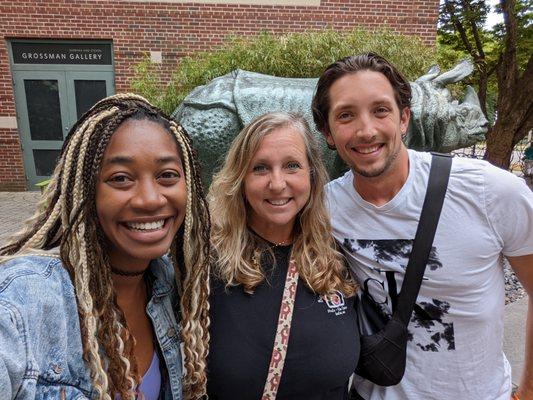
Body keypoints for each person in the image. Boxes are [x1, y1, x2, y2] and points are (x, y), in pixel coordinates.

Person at [311, 52, 533, 400]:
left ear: (404, 119)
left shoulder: (490, 192)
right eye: (346, 115)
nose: (366, 130)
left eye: (380, 110)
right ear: (327, 132)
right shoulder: (323, 209)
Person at [0, 94, 211, 400]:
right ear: (87, 191)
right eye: (121, 178)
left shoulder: (171, 285)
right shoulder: (25, 301)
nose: (150, 199)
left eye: (167, 175)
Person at [207, 112, 358, 399]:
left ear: (312, 176)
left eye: (292, 166)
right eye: (260, 168)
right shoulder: (207, 263)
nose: (277, 184)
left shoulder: (338, 258)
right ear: (240, 178)